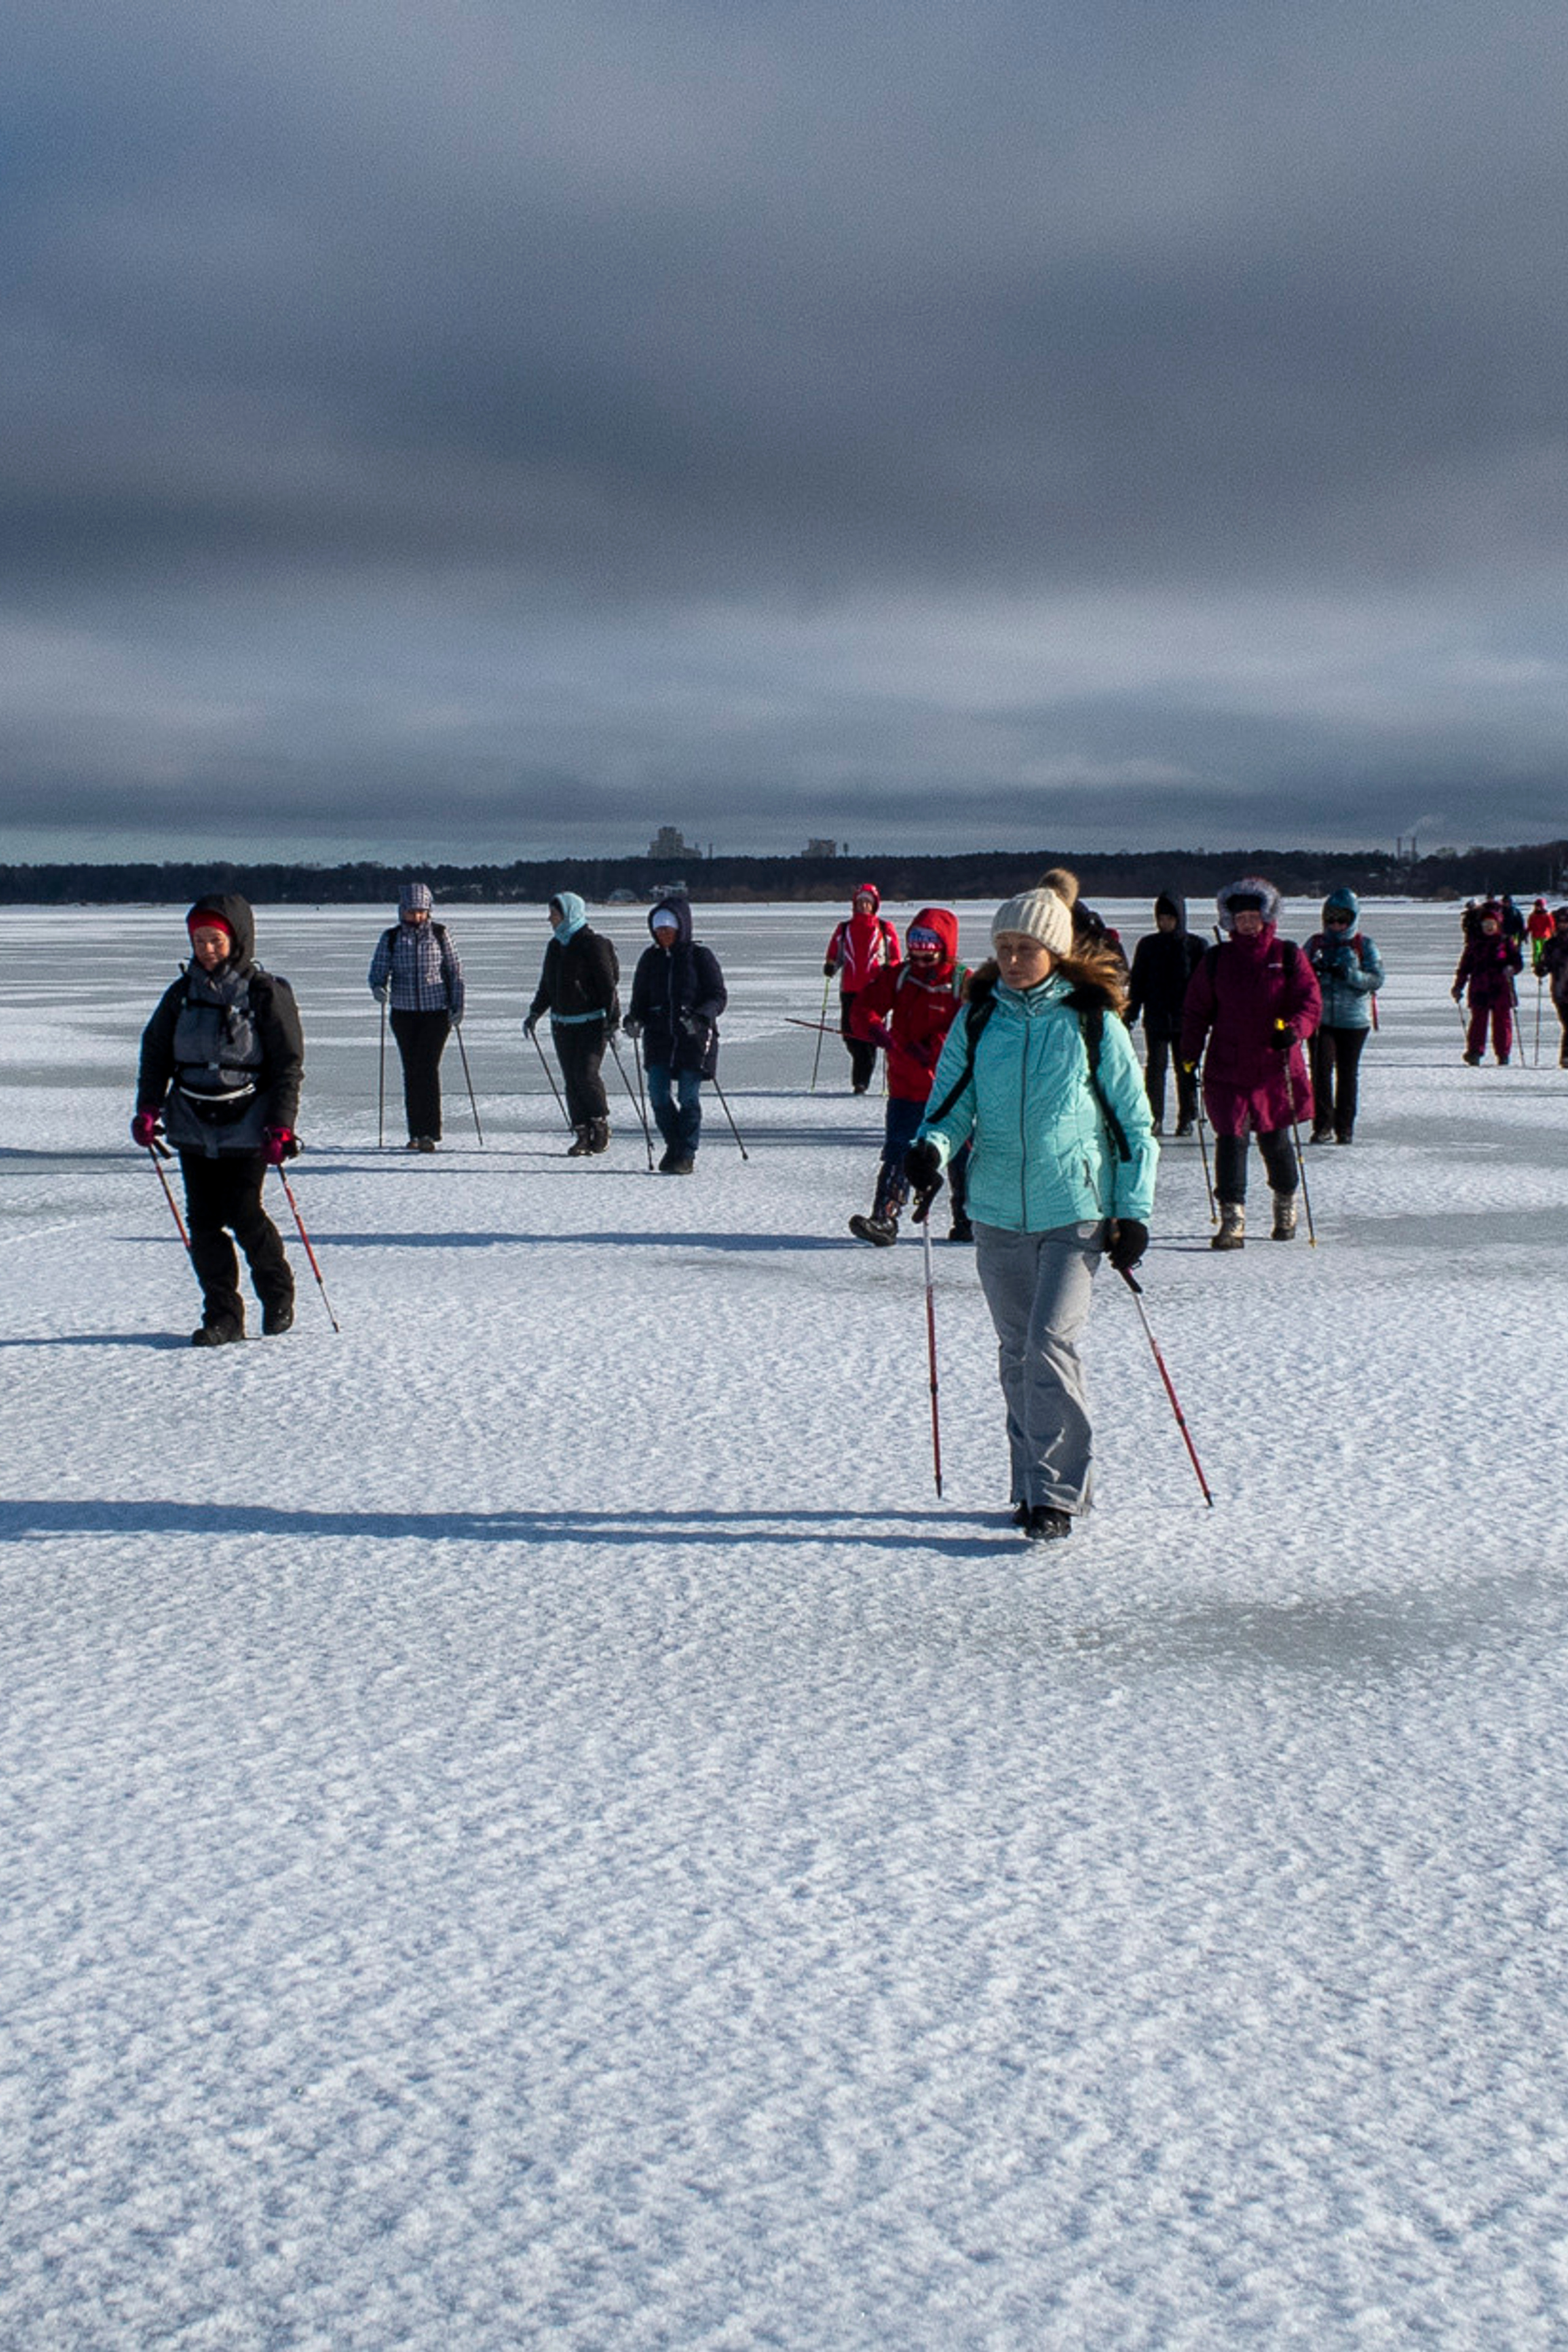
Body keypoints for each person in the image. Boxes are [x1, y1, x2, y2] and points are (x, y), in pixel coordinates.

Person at [904, 883, 1157, 1544]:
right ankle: (1028, 1483)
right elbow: (949, 1107)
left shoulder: (1090, 1020)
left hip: (1074, 1210)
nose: (1014, 960)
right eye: (1005, 948)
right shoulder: (979, 1017)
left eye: (1027, 948)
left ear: (1055, 950)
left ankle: (1059, 1496)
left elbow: (1133, 1123)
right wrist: (929, 1151)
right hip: (993, 1210)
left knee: (1050, 1345)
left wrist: (1132, 1211)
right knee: (1017, 1352)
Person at [132, 894, 304, 1346]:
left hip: (249, 1121)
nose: (206, 949)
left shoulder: (265, 993)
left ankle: (277, 1292)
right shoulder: (180, 995)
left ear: (237, 939)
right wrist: (149, 1108)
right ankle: (223, 1316)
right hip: (191, 1121)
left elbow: (287, 1064)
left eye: (215, 939)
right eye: (199, 940)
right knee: (204, 1220)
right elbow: (155, 1054)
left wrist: (281, 1125)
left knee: (243, 1212)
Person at [1179, 878, 1321, 1251]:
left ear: (1266, 917)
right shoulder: (1216, 961)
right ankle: (1232, 1219)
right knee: (1230, 1140)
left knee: (1275, 1141)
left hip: (1274, 1067)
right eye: (1239, 917)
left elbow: (1309, 1002)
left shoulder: (1288, 956)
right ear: (1229, 920)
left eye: (1253, 916)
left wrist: (1293, 1030)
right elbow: (1196, 1010)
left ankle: (1285, 1203)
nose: (1246, 924)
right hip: (1227, 1067)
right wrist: (1189, 1052)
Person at [845, 907, 971, 1245]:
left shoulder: (964, 982)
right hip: (906, 1087)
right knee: (899, 1150)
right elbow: (862, 1009)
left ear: (945, 945)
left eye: (928, 944)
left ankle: (968, 1220)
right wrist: (876, 1031)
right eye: (915, 941)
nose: (919, 952)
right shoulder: (900, 976)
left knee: (962, 1153)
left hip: (952, 1091)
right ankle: (884, 1219)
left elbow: (973, 1028)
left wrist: (934, 1047)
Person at [624, 899, 727, 1174]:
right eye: (659, 929)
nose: (663, 934)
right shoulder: (650, 959)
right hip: (659, 1039)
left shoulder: (700, 957)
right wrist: (634, 1019)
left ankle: (686, 1154)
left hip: (693, 1039)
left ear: (682, 927)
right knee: (658, 1095)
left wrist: (702, 1016)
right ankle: (675, 1146)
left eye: (668, 928)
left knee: (688, 1096)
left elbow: (718, 996)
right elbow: (640, 1001)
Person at [368, 883, 464, 1151]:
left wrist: (458, 1007)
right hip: (404, 1014)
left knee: (427, 1068)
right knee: (412, 1071)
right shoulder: (392, 938)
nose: (417, 917)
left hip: (436, 1013)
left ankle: (430, 1133)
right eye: (411, 911)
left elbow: (455, 972)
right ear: (402, 910)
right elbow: (378, 970)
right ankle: (416, 1133)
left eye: (421, 911)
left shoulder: (440, 934)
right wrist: (378, 987)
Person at [524, 892, 620, 1155]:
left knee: (585, 1075)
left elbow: (608, 986)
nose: (550, 919)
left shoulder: (593, 944)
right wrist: (535, 1013)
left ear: (568, 914)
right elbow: (547, 986)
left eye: (554, 915)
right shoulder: (555, 946)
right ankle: (582, 1133)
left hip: (591, 1024)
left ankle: (599, 1123)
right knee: (571, 1080)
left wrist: (613, 1021)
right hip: (562, 1025)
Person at [1303, 888, 1384, 1144]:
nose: (1337, 925)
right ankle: (1323, 1125)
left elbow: (1377, 979)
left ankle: (1345, 1127)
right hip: (1321, 1019)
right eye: (1332, 920)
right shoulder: (1316, 944)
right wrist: (1313, 972)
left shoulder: (1364, 945)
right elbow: (1297, 976)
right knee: (1320, 1071)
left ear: (1353, 920)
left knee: (1348, 1074)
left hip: (1354, 1020)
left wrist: (1349, 975)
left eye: (1343, 920)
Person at [1124, 892, 1205, 1135]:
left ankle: (1187, 1117)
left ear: (1180, 918)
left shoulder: (1195, 946)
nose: (1165, 923)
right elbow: (1138, 982)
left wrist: (1207, 1015)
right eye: (1161, 918)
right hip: (1157, 1018)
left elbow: (1205, 986)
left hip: (1187, 1021)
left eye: (1170, 918)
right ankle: (1155, 1117)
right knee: (1156, 1068)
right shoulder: (1148, 945)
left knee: (1186, 1069)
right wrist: (1131, 1012)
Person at [823, 884, 901, 1092]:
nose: (864, 906)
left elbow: (895, 958)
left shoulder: (885, 929)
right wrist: (831, 966)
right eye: (861, 902)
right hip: (849, 988)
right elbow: (836, 954)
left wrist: (890, 971)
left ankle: (861, 1082)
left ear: (875, 905)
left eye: (868, 902)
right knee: (849, 1033)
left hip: (876, 990)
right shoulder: (845, 928)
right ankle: (862, 1071)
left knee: (870, 1034)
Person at [1452, 901, 1522, 1066]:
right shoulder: (1474, 944)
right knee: (1478, 1021)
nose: (1489, 927)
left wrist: (1511, 968)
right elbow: (1464, 968)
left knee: (1502, 1022)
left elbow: (1518, 963)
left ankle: (1503, 1054)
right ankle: (1475, 1052)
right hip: (1480, 987)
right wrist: (1458, 986)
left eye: (1492, 924)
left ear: (1498, 924)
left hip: (1501, 988)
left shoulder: (1506, 942)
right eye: (1486, 924)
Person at [1540, 910, 1568, 1068]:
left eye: (1566, 922)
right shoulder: (1551, 944)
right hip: (1560, 990)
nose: (1563, 925)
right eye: (1561, 922)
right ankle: (1566, 1056)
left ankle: (1566, 1055)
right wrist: (1541, 969)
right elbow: (1547, 964)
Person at [1526, 897, 1556, 974]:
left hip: (1545, 935)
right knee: (1536, 950)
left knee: (1545, 950)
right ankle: (1536, 963)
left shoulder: (1547, 915)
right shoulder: (1533, 916)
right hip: (1536, 936)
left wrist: (1553, 934)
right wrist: (1526, 933)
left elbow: (1551, 926)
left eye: (1540, 906)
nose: (1538, 908)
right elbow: (1530, 926)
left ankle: (1545, 962)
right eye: (1537, 906)